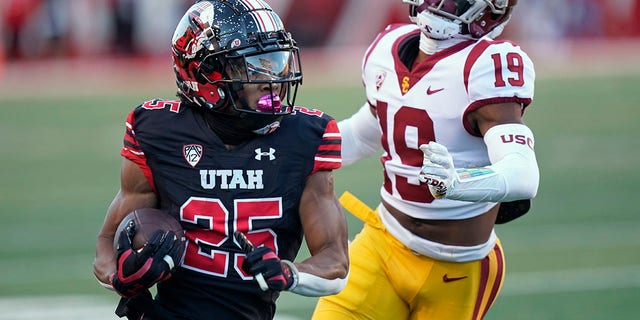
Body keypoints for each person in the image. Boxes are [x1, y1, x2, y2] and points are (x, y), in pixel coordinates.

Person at [92, 1, 349, 319]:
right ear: (206, 76)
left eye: (275, 61)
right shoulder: (158, 132)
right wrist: (123, 277)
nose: (273, 80)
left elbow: (335, 262)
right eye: (254, 66)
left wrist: (288, 272)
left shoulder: (305, 137)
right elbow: (106, 244)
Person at [313, 0, 539, 319]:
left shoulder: (486, 65)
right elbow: (364, 134)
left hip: (459, 267)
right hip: (382, 244)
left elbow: (523, 174)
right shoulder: (388, 46)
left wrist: (458, 184)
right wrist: (294, 154)